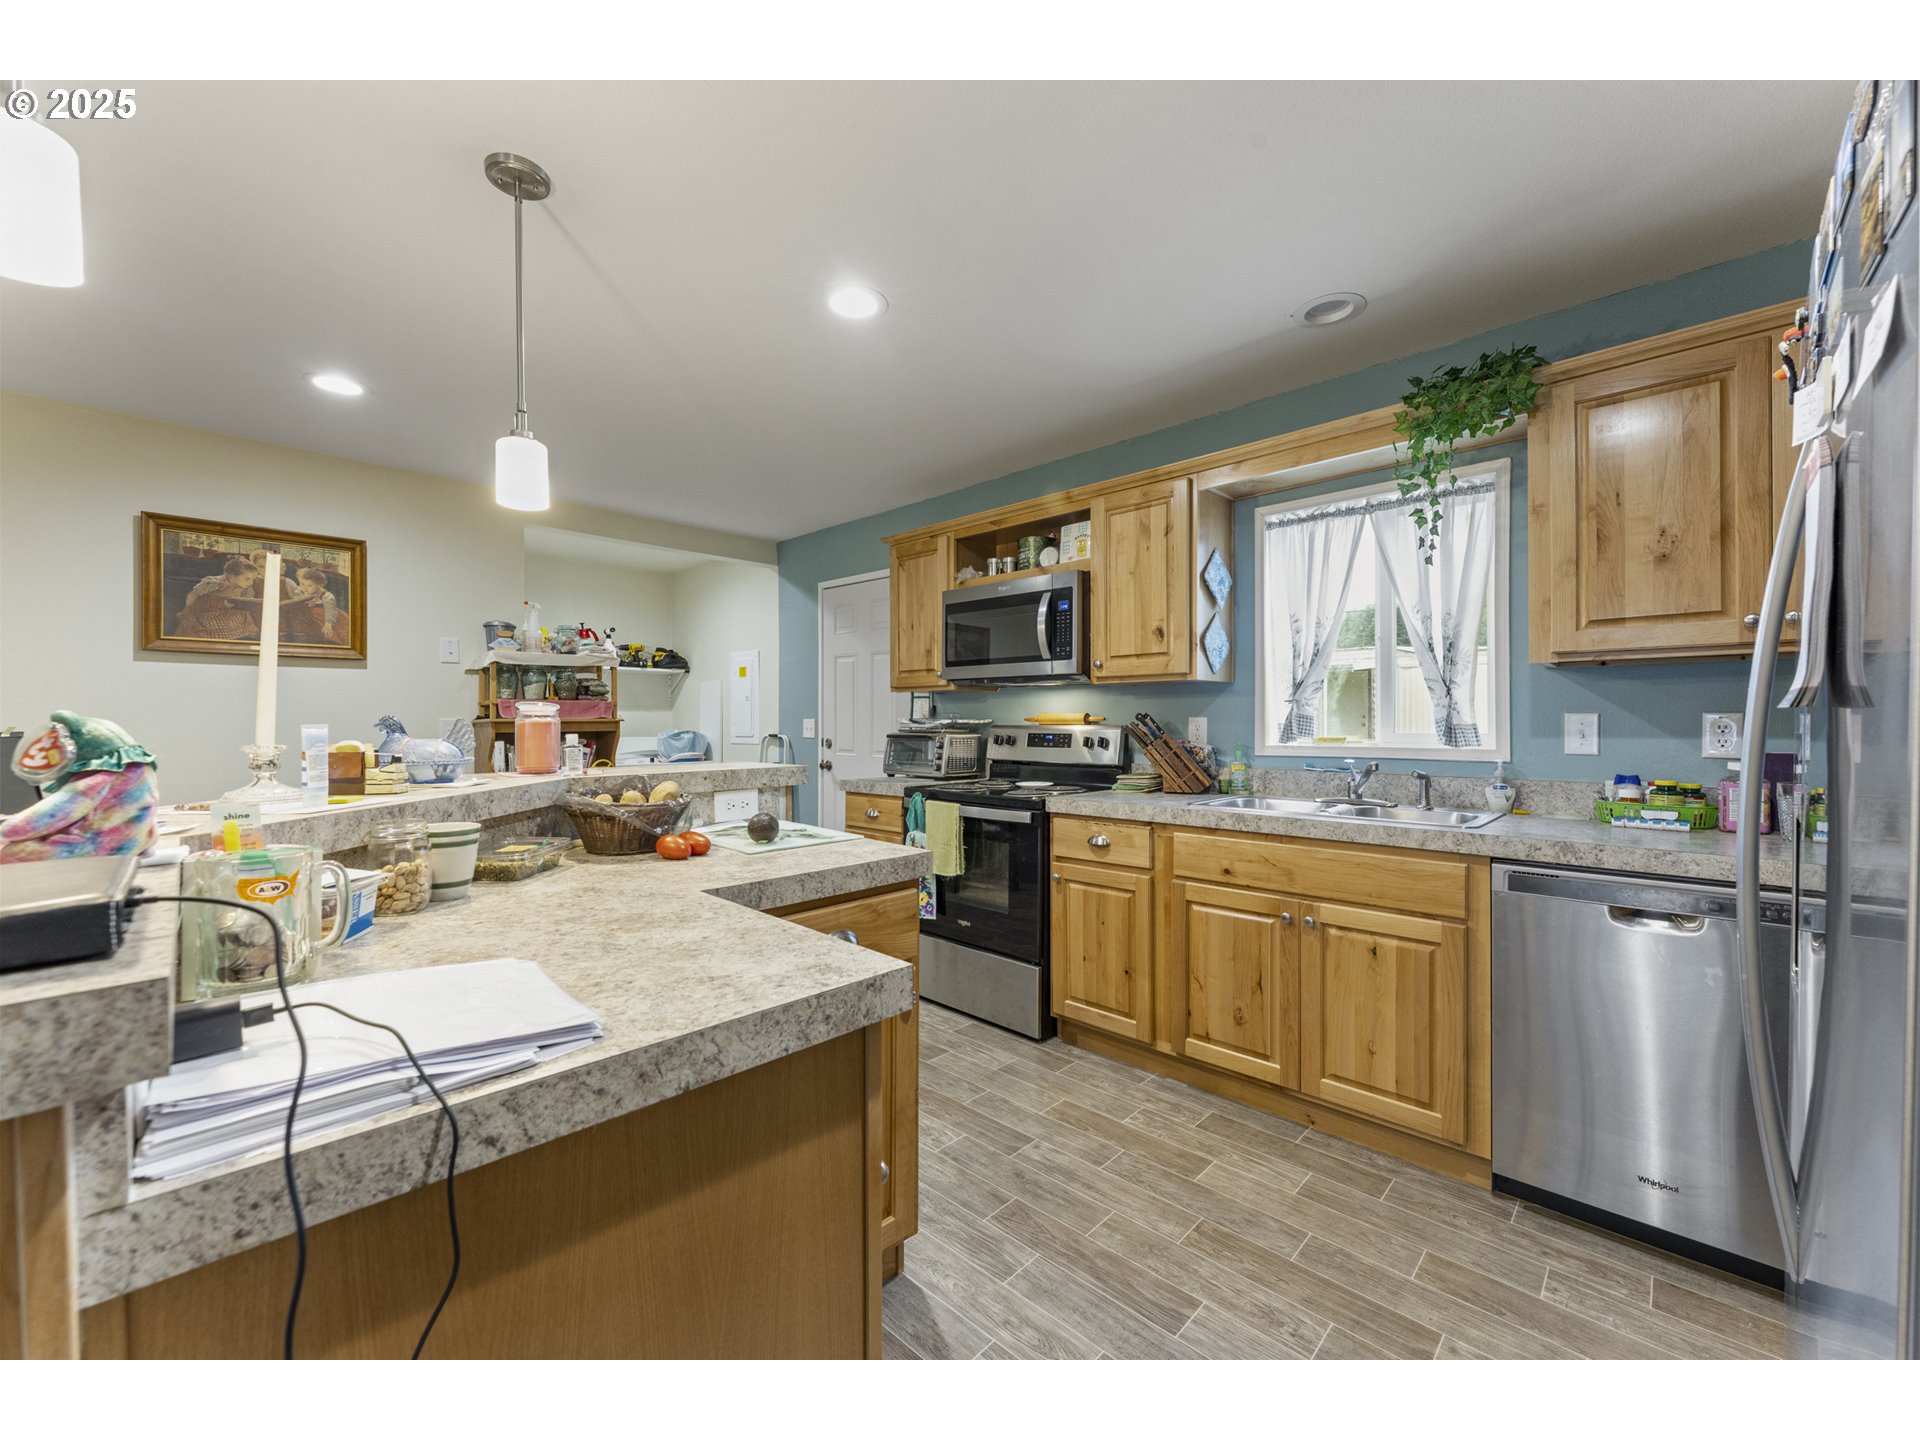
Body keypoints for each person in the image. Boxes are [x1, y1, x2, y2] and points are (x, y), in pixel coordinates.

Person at [173, 555, 261, 639]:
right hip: (205, 611)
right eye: (247, 579)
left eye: (253, 579)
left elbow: (248, 601)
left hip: (227, 611)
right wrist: (186, 610)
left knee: (246, 616)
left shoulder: (246, 588)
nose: (251, 582)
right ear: (232, 576)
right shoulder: (214, 583)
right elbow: (193, 594)